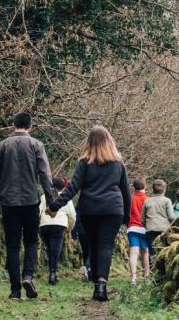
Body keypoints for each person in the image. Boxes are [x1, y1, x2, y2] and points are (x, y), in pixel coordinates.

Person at [45, 126, 131, 302]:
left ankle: (96, 286)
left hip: (90, 210)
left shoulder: (84, 163)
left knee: (94, 246)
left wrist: (54, 206)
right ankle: (102, 285)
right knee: (105, 246)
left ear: (89, 142)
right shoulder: (118, 162)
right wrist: (126, 217)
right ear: (109, 141)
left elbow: (72, 188)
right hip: (113, 210)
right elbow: (126, 192)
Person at [0, 112, 57, 301]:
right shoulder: (37, 145)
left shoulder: (1, 146)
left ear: (12, 125)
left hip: (8, 202)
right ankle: (28, 276)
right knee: (32, 241)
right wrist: (51, 203)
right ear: (30, 128)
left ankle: (15, 291)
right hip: (31, 201)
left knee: (12, 245)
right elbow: (45, 176)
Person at [38, 177, 76, 286]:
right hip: (58, 226)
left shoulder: (44, 197)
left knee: (51, 250)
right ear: (64, 188)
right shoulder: (66, 199)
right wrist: (69, 229)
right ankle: (53, 274)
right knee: (55, 251)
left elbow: (38, 212)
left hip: (44, 226)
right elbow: (73, 216)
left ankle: (53, 273)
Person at [141, 179, 175, 263]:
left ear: (152, 190)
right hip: (164, 230)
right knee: (165, 252)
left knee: (152, 253)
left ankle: (153, 272)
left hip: (150, 229)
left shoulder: (147, 201)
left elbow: (142, 219)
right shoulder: (167, 201)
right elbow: (171, 216)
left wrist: (147, 225)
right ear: (164, 191)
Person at [127, 177, 149, 285]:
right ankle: (146, 277)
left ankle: (134, 278)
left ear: (133, 188)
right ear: (145, 187)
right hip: (145, 229)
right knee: (145, 252)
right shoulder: (148, 200)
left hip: (132, 228)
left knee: (133, 253)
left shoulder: (130, 199)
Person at [70, 205, 91, 282]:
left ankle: (87, 275)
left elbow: (75, 220)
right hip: (91, 231)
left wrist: (74, 235)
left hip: (81, 232)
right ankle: (87, 268)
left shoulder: (80, 204)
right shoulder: (94, 201)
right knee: (91, 252)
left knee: (85, 252)